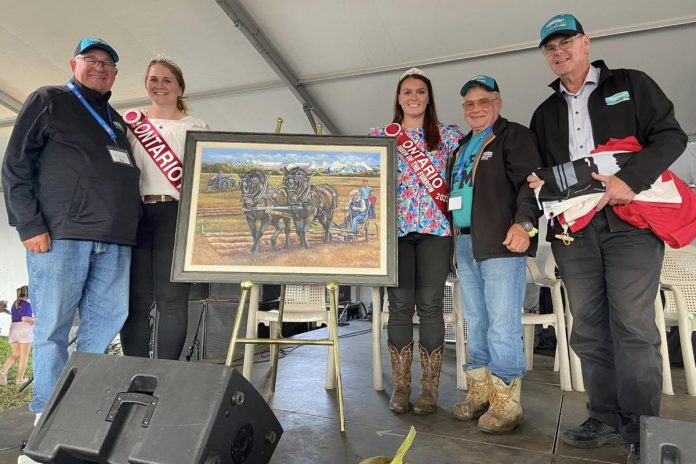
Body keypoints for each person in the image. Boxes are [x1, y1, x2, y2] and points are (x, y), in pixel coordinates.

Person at [528, 14, 687, 463]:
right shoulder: (545, 113)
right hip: (573, 232)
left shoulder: (631, 84)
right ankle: (604, 415)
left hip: (629, 222)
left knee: (633, 326)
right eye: (550, 47)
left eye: (566, 42)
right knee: (590, 327)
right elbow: (544, 173)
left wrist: (629, 181)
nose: (559, 52)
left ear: (585, 42)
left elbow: (671, 136)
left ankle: (642, 427)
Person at [2, 37, 140, 437]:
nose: (100, 67)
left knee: (106, 323)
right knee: (52, 327)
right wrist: (29, 225)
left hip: (116, 239)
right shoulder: (49, 99)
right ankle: (46, 412)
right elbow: (15, 166)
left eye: (108, 63)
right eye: (91, 60)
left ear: (115, 73)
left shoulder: (116, 120)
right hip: (61, 236)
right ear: (73, 64)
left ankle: (79, 404)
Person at [449, 76, 541, 433]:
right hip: (465, 243)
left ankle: (507, 401)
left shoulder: (513, 136)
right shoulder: (460, 147)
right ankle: (481, 391)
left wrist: (524, 225)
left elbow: (530, 185)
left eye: (483, 102)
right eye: (469, 104)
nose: (476, 109)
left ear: (498, 103)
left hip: (501, 241)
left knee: (503, 322)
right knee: (476, 320)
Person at [370, 67, 462, 414]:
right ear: (398, 97)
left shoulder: (449, 136)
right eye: (407, 92)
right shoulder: (381, 136)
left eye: (420, 92)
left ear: (429, 97)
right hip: (397, 233)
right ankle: (401, 387)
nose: (413, 97)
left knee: (431, 305)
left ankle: (428, 389)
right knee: (400, 306)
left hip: (435, 230)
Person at [119, 55, 208, 360]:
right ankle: (135, 369)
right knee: (136, 300)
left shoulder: (197, 127)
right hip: (137, 214)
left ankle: (167, 372)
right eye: (153, 79)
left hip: (176, 215)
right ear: (145, 84)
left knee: (172, 299)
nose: (159, 85)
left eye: (167, 79)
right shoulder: (129, 123)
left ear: (180, 87)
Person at [1, 286, 35, 386]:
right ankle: (20, 379)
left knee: (16, 354)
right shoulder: (27, 304)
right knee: (24, 356)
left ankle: (3, 372)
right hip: (24, 330)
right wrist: (37, 320)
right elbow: (25, 318)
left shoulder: (14, 304)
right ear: (29, 294)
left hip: (13, 329)